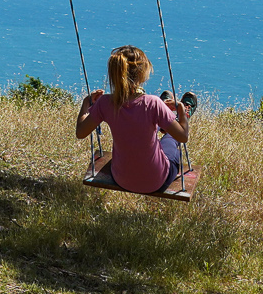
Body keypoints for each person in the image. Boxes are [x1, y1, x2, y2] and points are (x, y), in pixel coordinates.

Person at [77, 45, 191, 193]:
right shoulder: (152, 103)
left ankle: (162, 121)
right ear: (142, 73)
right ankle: (177, 118)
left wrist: (87, 102)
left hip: (121, 178)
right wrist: (181, 109)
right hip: (156, 181)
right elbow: (183, 136)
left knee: (147, 126)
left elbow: (80, 132)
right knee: (170, 140)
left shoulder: (104, 103)